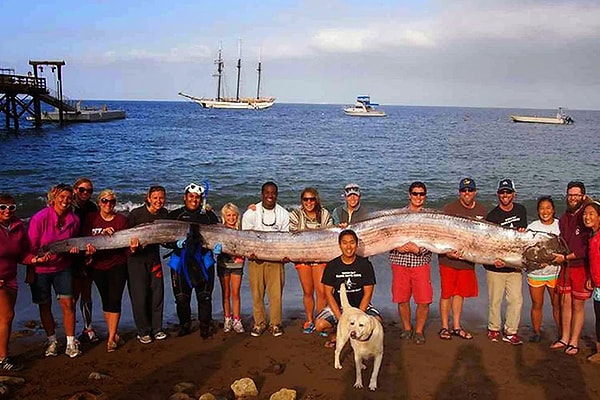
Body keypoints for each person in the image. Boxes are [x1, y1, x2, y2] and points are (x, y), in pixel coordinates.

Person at [25, 184, 88, 358]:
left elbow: (73, 242)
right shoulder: (39, 218)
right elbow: (31, 247)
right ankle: (52, 340)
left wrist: (74, 250)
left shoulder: (74, 220)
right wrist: (32, 268)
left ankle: (70, 342)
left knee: (68, 303)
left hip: (63, 267)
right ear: (53, 197)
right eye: (62, 197)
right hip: (40, 268)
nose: (65, 201)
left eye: (68, 198)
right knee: (45, 305)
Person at [167, 183, 219, 339]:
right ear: (185, 197)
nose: (194, 200)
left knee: (204, 296)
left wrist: (219, 246)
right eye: (191, 196)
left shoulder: (208, 216)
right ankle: (184, 325)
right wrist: (173, 244)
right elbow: (163, 238)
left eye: (197, 197)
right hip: (180, 262)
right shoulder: (174, 216)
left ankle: (205, 327)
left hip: (203, 261)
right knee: (182, 298)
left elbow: (219, 235)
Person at [438, 178, 487, 341]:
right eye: (464, 190)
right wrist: (447, 252)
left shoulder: (481, 210)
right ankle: (444, 327)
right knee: (447, 293)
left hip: (467, 260)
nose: (467, 193)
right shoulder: (449, 208)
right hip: (448, 259)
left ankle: (456, 326)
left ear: (475, 192)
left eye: (470, 190)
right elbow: (440, 233)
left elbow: (484, 239)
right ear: (460, 192)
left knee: (460, 294)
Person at [315, 229, 381, 348]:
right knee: (320, 324)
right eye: (345, 243)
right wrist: (342, 320)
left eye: (352, 242)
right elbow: (328, 294)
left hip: (360, 306)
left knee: (377, 322)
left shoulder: (365, 265)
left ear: (357, 244)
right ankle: (337, 334)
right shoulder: (332, 266)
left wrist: (358, 315)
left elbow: (368, 293)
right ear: (340, 245)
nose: (348, 246)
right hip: (339, 306)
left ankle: (356, 337)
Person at [82, 189, 129, 352]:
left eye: (112, 201)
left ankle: (110, 339)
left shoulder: (121, 221)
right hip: (97, 265)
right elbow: (84, 240)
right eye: (104, 201)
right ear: (99, 202)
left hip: (117, 264)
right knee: (106, 300)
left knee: (115, 299)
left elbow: (126, 246)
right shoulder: (91, 219)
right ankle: (113, 333)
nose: (108, 204)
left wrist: (134, 248)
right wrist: (87, 251)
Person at [242, 181, 289, 337]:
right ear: (262, 194)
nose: (270, 195)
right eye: (267, 193)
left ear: (276, 194)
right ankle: (259, 323)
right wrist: (250, 252)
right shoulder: (250, 213)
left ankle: (276, 324)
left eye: (273, 193)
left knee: (275, 294)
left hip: (276, 260)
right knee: (257, 293)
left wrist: (285, 255)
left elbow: (286, 238)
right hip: (256, 260)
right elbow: (245, 237)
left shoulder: (283, 213)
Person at [484, 179, 527, 345]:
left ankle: (511, 331)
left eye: (508, 192)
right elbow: (488, 242)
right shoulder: (492, 215)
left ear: (513, 194)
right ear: (498, 194)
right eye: (502, 192)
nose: (505, 195)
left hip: (514, 266)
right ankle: (494, 328)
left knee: (516, 300)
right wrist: (495, 260)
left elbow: (521, 239)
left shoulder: (521, 210)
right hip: (495, 266)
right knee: (495, 300)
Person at [389, 181, 433, 345]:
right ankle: (407, 328)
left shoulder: (431, 217)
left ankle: (419, 330)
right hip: (399, 261)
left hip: (420, 262)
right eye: (415, 193)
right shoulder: (397, 215)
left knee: (424, 300)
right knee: (402, 299)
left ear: (425, 196)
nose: (418, 197)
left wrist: (419, 250)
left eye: (421, 194)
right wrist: (397, 247)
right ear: (409, 195)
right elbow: (387, 236)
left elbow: (436, 239)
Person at [550, 181, 591, 355]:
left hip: (580, 266)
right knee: (564, 303)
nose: (573, 198)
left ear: (583, 196)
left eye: (576, 195)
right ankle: (564, 338)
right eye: (570, 194)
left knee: (577, 305)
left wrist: (566, 257)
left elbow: (587, 247)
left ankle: (574, 342)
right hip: (566, 266)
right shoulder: (565, 216)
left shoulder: (588, 214)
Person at [289, 187, 334, 334]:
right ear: (302, 201)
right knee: (308, 291)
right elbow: (292, 235)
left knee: (321, 292)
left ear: (316, 199)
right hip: (302, 257)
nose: (309, 202)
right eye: (306, 199)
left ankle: (320, 319)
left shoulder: (325, 214)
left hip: (320, 257)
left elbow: (329, 235)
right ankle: (309, 319)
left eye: (312, 199)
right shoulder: (296, 214)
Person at [127, 185, 169, 344]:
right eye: (156, 198)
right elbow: (124, 238)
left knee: (157, 294)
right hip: (136, 260)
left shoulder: (164, 214)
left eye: (161, 198)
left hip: (154, 258)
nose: (159, 201)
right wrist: (132, 248)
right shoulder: (135, 214)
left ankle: (157, 328)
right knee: (140, 297)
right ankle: (143, 331)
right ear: (148, 198)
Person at [526, 196, 561, 342]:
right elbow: (526, 251)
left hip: (556, 273)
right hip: (536, 273)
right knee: (536, 304)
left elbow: (565, 249)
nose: (545, 211)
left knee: (557, 305)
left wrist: (552, 260)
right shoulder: (532, 227)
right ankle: (536, 332)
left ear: (553, 209)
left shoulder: (560, 225)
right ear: (538, 211)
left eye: (548, 208)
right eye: (542, 208)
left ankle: (562, 333)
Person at [0, 194, 28, 370]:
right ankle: (3, 359)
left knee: (6, 318)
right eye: (2, 207)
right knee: (7, 315)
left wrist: (36, 261)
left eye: (11, 207)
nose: (7, 211)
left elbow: (23, 254)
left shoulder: (18, 226)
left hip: (11, 277)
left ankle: (4, 354)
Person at [71, 177, 100, 344]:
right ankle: (72, 332)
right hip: (71, 253)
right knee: (73, 293)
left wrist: (90, 254)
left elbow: (94, 229)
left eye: (89, 191)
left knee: (87, 290)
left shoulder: (92, 207)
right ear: (75, 190)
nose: (85, 193)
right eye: (82, 190)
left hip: (88, 250)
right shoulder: (69, 206)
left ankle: (88, 327)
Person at [217, 203, 245, 334]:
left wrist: (251, 208)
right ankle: (227, 318)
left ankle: (237, 319)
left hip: (237, 264)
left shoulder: (241, 230)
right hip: (223, 263)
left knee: (236, 293)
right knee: (226, 293)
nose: (231, 218)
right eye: (229, 215)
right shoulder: (219, 229)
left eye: (234, 215)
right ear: (224, 216)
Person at [583, 201, 600, 362]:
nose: (587, 217)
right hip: (597, 285)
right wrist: (591, 277)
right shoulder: (591, 235)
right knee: (599, 318)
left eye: (591, 214)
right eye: (585, 214)